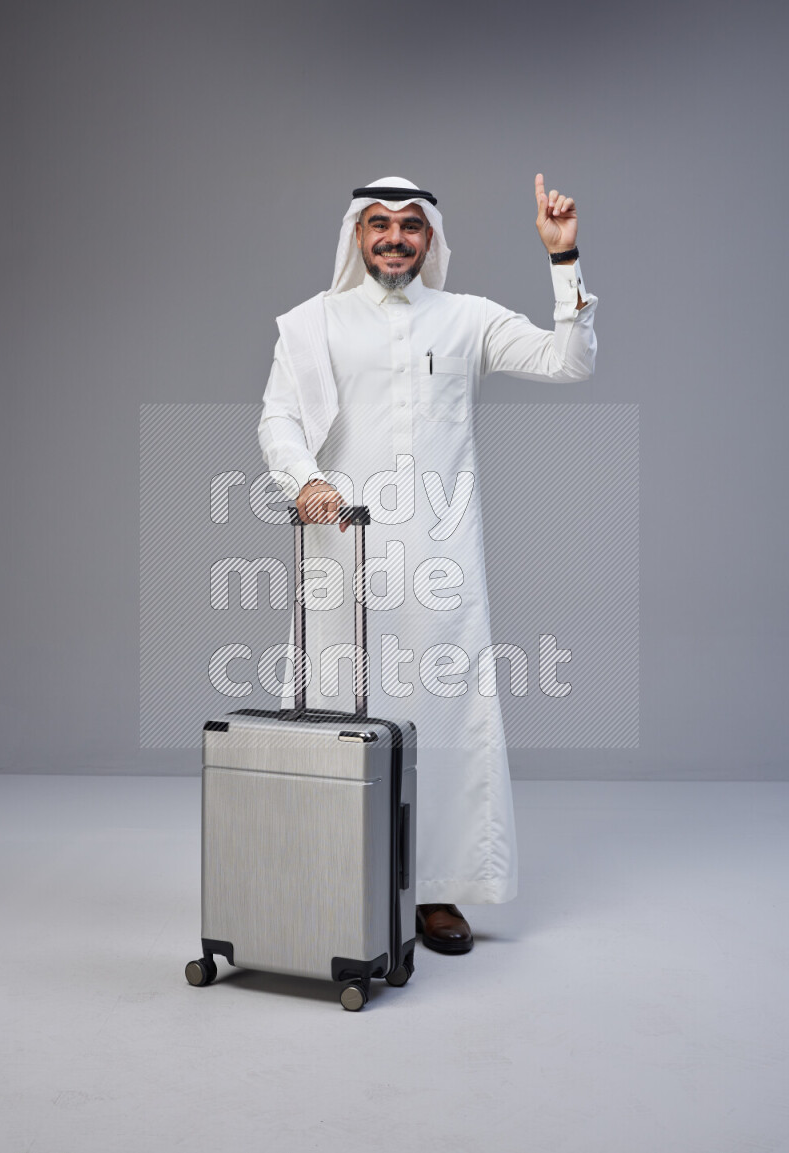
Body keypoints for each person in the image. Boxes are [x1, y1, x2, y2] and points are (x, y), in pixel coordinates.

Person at [257, 175, 598, 954]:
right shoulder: (314, 324)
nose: (394, 238)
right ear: (356, 235)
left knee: (444, 716)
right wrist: (305, 478)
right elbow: (277, 417)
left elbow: (568, 361)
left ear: (431, 239)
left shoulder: (467, 318)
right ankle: (330, 877)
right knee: (334, 710)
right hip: (343, 550)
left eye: (411, 226)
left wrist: (563, 258)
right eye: (378, 224)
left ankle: (437, 891)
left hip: (443, 559)